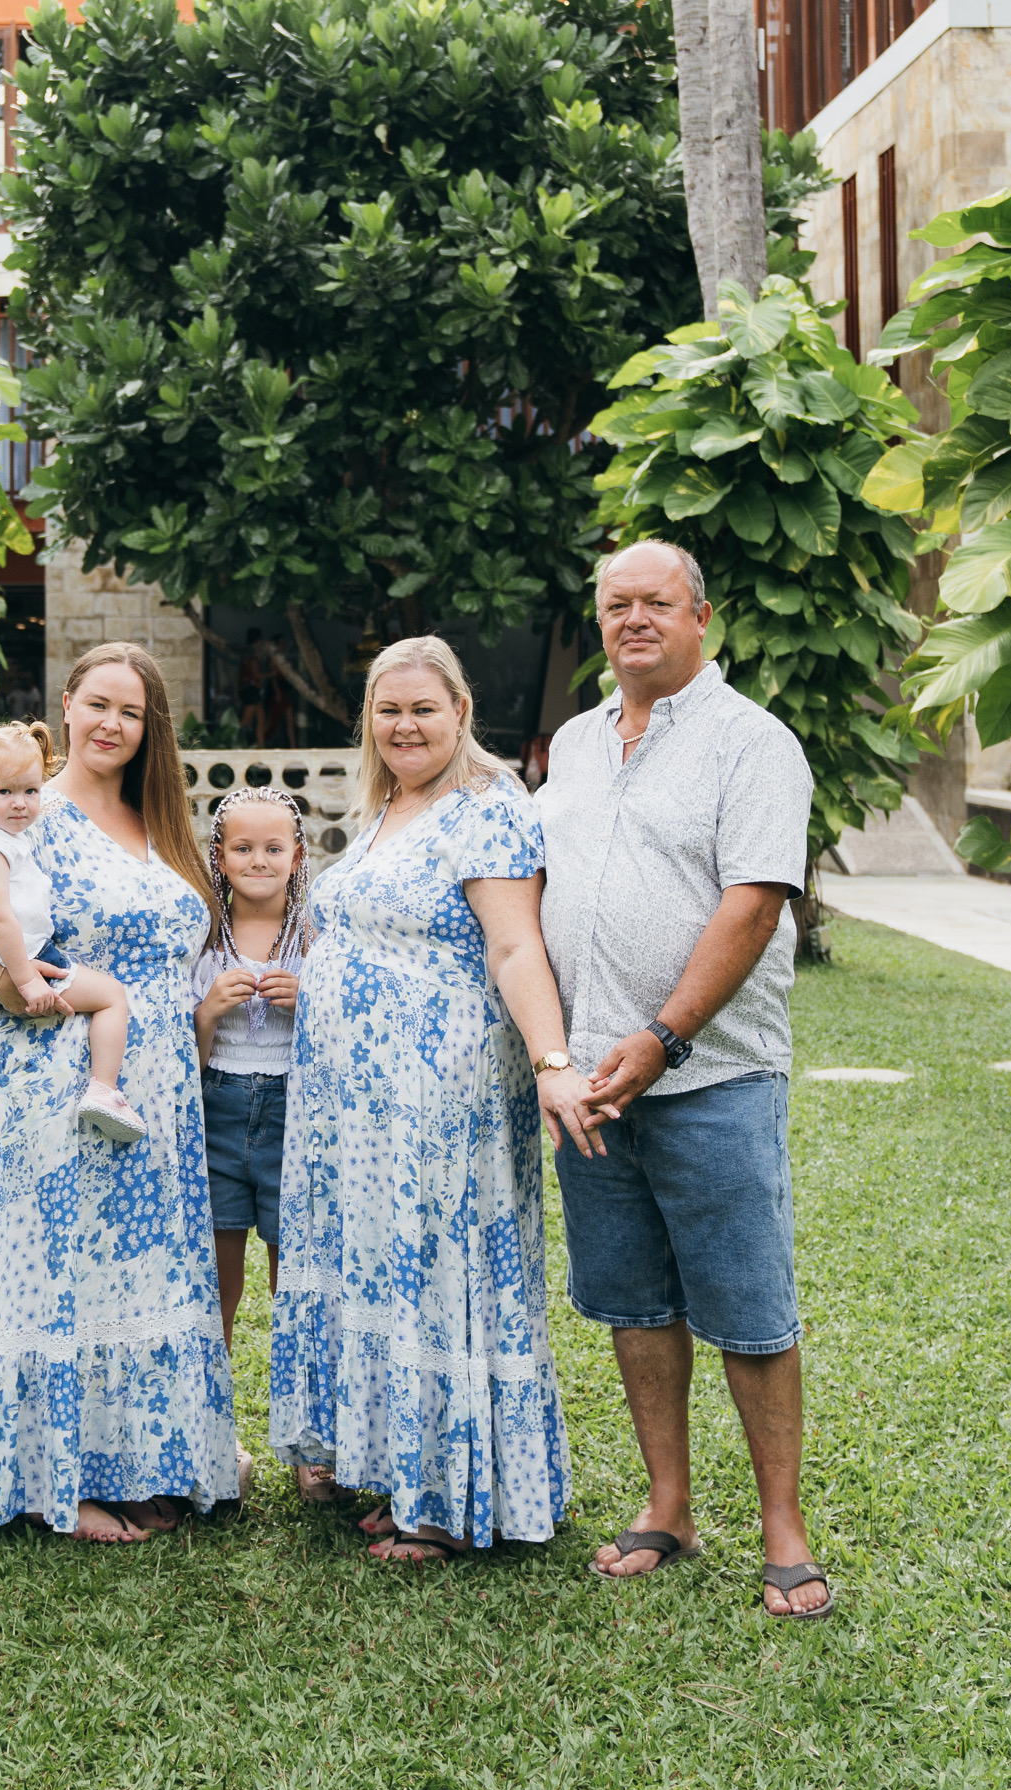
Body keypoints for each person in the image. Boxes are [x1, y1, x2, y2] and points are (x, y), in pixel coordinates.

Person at [537, 539, 831, 1621]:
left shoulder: (752, 742)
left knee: (748, 1307)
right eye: (615, 604)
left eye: (655, 602)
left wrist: (664, 1036)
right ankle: (668, 1506)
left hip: (710, 1076)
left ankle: (783, 1531)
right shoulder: (574, 744)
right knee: (633, 1301)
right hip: (592, 1084)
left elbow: (754, 903)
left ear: (701, 617)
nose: (633, 620)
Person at [0, 643, 245, 1544]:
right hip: (47, 1078)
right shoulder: (22, 810)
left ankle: (144, 1463)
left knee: (134, 1275)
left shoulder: (162, 823)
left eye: (131, 711)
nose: (112, 724)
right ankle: (56, 1482)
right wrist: (1, 981)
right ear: (66, 706)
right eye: (98, 704)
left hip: (153, 1088)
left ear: (150, 726)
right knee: (57, 1276)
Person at [269, 635, 591, 1565]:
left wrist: (553, 1059)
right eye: (388, 710)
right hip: (354, 1100)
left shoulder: (489, 808)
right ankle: (399, 1468)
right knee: (381, 1268)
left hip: (438, 1090)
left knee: (434, 1272)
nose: (404, 726)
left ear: (460, 711)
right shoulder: (387, 808)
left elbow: (515, 946)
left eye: (423, 709)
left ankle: (447, 1498)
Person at [0, 720, 143, 1143]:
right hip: (28, 964)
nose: (20, 804)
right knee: (111, 997)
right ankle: (104, 1089)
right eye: (5, 792)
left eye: (30, 791)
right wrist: (26, 979)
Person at [192, 786, 311, 1347]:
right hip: (217, 1108)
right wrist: (208, 1010)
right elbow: (188, 1058)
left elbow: (340, 1042)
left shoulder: (314, 937)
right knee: (217, 1280)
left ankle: (297, 1396)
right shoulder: (203, 936)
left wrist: (310, 1004)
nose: (258, 861)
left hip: (294, 1110)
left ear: (297, 856)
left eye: (273, 848)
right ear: (219, 858)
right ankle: (215, 1399)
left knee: (293, 1277)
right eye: (242, 848)